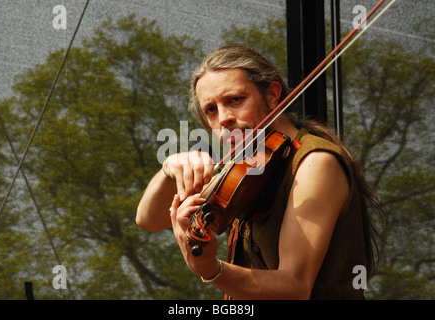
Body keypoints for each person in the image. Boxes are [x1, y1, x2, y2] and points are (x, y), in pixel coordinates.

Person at [136, 44, 385, 299]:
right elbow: (149, 219)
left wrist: (211, 269)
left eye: (235, 100)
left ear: (273, 95)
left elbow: (295, 287)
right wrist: (170, 168)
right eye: (211, 109)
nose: (224, 118)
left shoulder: (315, 162)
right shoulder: (245, 164)